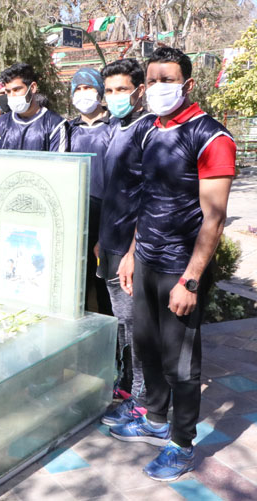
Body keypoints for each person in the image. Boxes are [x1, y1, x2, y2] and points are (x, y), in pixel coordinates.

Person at [112, 47, 236, 482]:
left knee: (180, 364)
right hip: (146, 260)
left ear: (187, 84)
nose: (157, 88)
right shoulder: (149, 131)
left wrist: (191, 280)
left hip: (180, 269)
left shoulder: (212, 137)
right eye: (152, 80)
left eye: (167, 80)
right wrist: (132, 253)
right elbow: (145, 200)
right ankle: (154, 419)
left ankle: (181, 444)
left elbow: (214, 218)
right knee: (146, 347)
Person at [97, 58, 155, 427]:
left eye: (122, 89)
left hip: (129, 248)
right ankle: (126, 387)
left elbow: (150, 196)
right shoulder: (115, 127)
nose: (115, 96)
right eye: (109, 90)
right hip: (110, 242)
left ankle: (143, 401)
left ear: (139, 91)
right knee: (121, 324)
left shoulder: (147, 130)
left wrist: (133, 252)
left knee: (135, 325)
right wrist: (101, 240)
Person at [67, 67, 113, 316]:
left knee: (105, 286)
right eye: (79, 89)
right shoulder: (68, 129)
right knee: (78, 285)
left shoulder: (114, 126)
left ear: (100, 91)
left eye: (89, 88)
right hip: (76, 221)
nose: (83, 93)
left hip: (107, 219)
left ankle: (113, 336)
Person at [0, 63, 68, 152]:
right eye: (8, 91)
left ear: (33, 87)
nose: (12, 95)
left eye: (16, 90)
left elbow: (58, 159)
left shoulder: (54, 124)